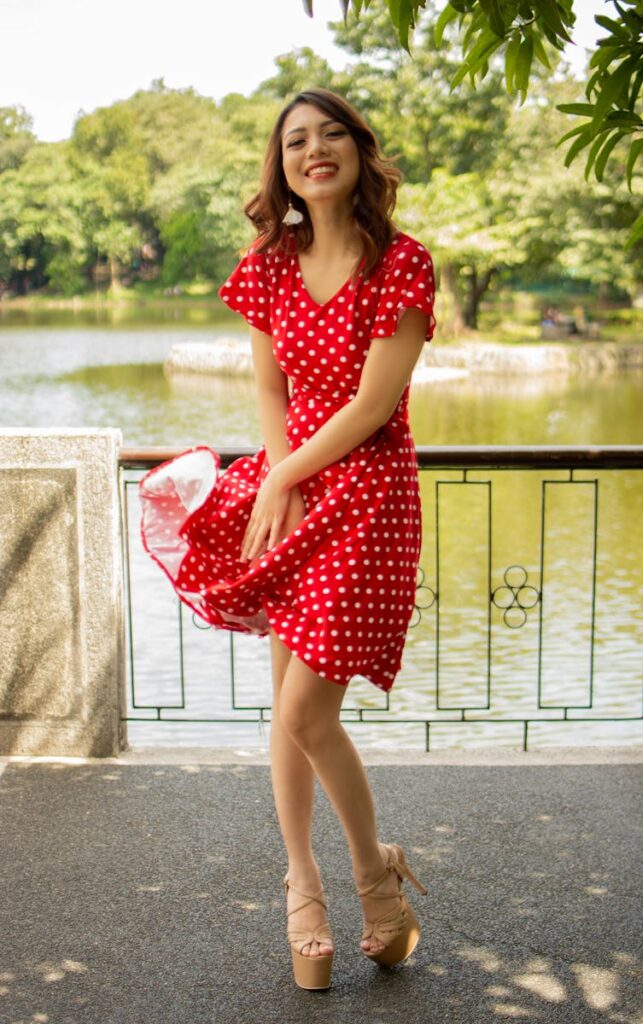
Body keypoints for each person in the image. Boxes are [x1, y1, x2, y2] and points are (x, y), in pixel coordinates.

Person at [139, 88, 434, 991]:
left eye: (330, 134)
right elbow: (271, 393)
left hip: (369, 497)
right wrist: (283, 480)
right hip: (296, 491)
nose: (314, 151)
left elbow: (374, 406)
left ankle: (370, 876)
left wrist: (281, 475)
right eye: (296, 141)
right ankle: (301, 884)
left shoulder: (404, 264)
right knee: (284, 704)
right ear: (282, 165)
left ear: (358, 150)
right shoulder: (269, 265)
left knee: (307, 712)